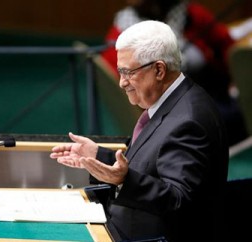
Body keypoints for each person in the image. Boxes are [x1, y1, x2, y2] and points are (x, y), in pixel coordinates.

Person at [50, 20, 229, 242]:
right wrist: (98, 155)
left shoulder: (189, 121)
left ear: (159, 70)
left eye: (128, 72)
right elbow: (151, 163)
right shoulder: (172, 101)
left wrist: (125, 181)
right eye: (120, 72)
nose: (122, 83)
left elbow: (179, 201)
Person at [101, 0, 248, 146]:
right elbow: (121, 89)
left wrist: (235, 82)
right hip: (171, 116)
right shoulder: (122, 31)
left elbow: (227, 46)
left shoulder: (191, 15)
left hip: (214, 97)